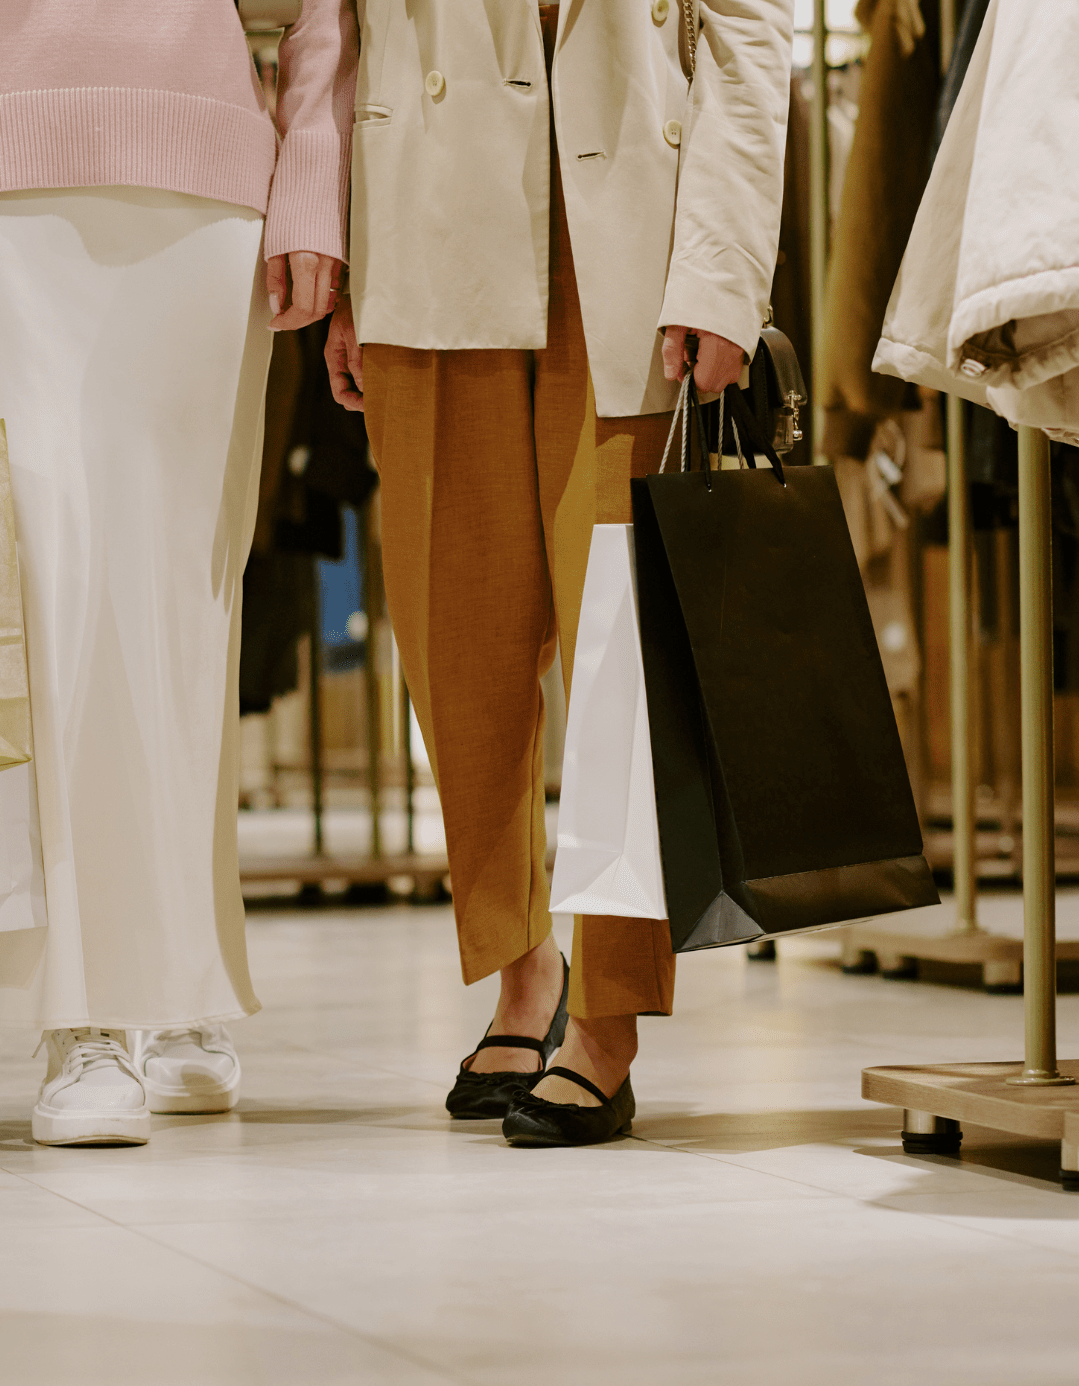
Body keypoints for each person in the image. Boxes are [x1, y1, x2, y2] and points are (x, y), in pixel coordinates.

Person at [0, 0, 352, 1145]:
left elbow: (325, 9)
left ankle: (180, 975)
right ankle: (87, 1014)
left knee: (181, 591)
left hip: (203, 173)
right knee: (51, 577)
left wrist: (311, 171)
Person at [323, 0, 792, 1145]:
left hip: (627, 233)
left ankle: (610, 1016)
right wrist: (337, 261)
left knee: (624, 648)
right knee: (454, 639)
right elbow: (329, 39)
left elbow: (748, 29)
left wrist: (724, 271)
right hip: (428, 221)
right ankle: (518, 965)